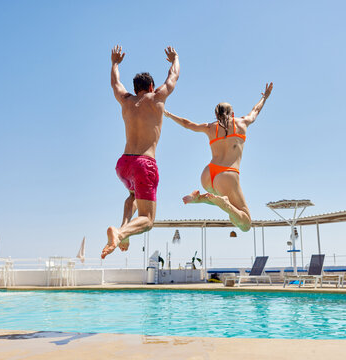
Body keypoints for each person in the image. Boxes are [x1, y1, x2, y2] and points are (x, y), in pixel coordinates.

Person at [101, 44, 180, 258]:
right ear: (152, 86)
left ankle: (123, 229)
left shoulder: (126, 101)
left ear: (135, 89)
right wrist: (175, 59)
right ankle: (120, 232)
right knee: (147, 220)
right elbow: (173, 77)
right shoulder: (157, 99)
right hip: (144, 164)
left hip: (123, 164)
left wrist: (114, 63)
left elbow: (115, 83)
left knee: (133, 196)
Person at [164, 83, 273, 232]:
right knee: (246, 223)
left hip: (208, 173)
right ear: (232, 114)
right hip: (227, 174)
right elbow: (255, 111)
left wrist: (169, 114)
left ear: (216, 115)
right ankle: (225, 204)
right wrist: (265, 97)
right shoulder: (241, 123)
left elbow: (187, 124)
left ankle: (198, 199)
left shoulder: (209, 127)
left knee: (218, 196)